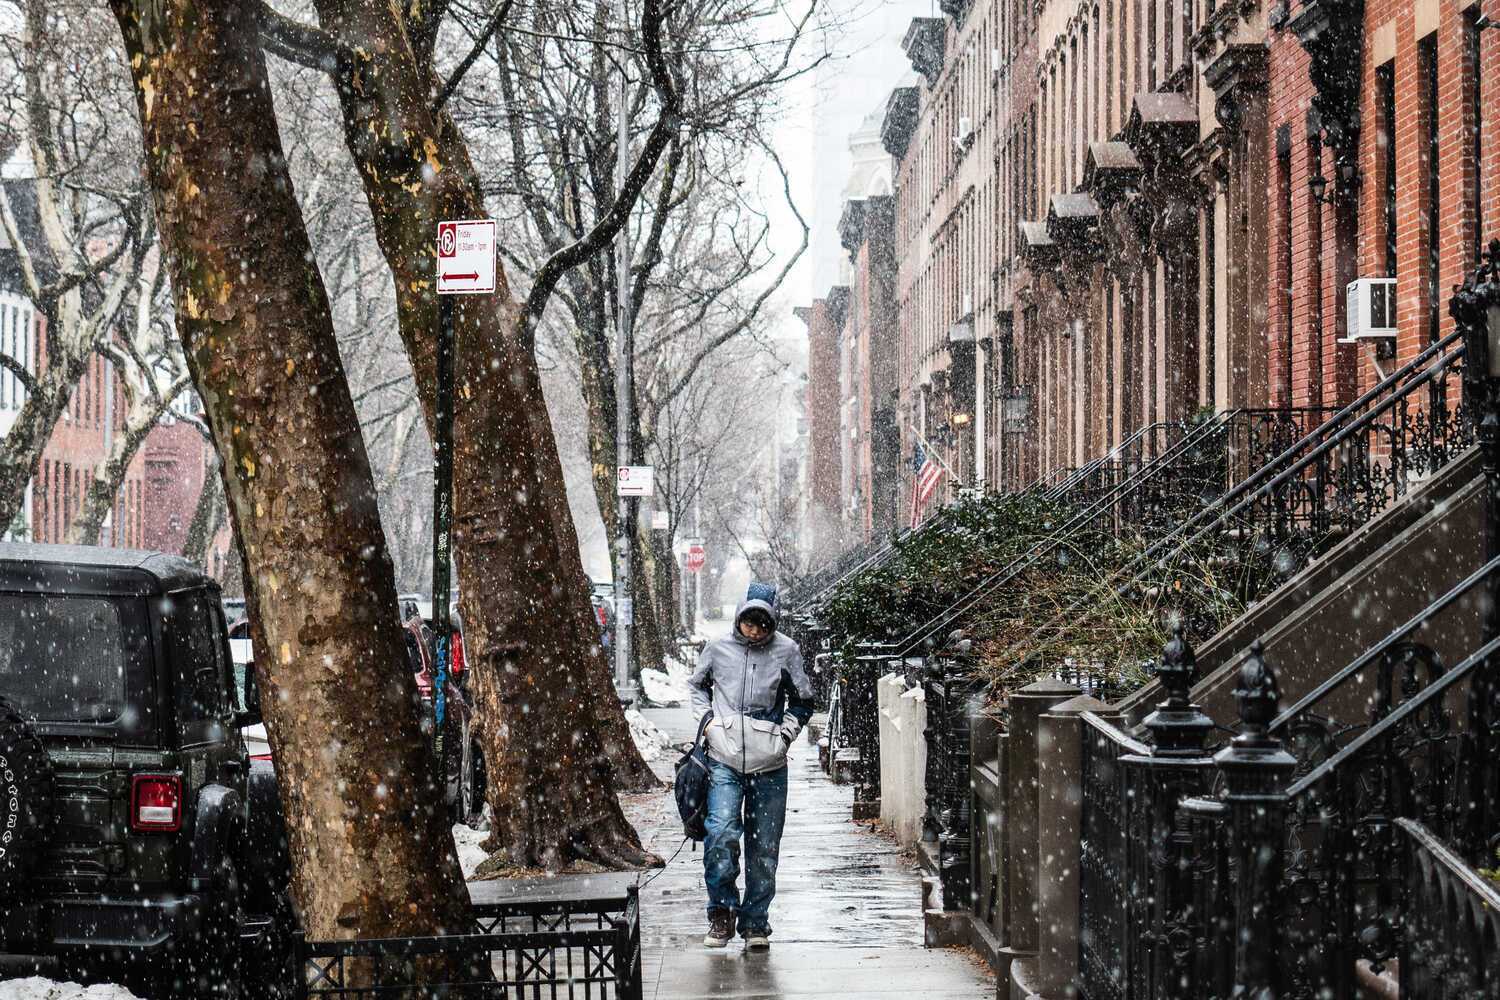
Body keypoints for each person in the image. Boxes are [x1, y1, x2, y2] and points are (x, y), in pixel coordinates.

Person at [688, 585, 814, 950]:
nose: (755, 631)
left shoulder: (787, 651)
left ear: (772, 621)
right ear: (739, 617)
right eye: (749, 622)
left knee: (764, 848)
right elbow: (697, 687)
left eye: (762, 624)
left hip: (769, 763)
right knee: (721, 834)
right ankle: (721, 914)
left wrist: (784, 735)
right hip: (723, 758)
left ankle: (756, 923)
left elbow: (803, 699)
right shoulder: (718, 648)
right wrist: (709, 724)